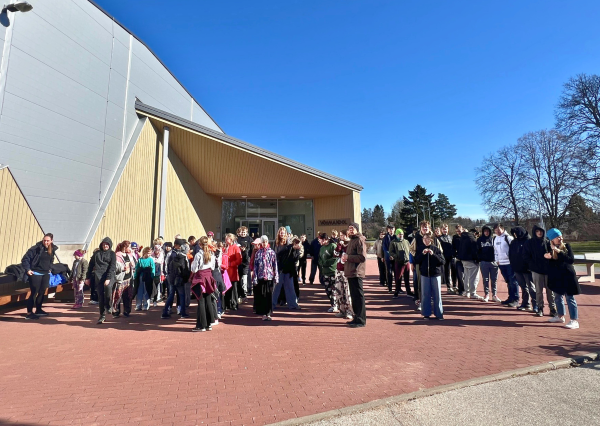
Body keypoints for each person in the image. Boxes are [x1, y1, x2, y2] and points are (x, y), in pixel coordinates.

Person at [545, 228, 580, 329]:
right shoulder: (549, 247)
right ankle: (560, 316)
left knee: (569, 298)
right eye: (557, 237)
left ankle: (574, 320)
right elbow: (552, 264)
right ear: (552, 239)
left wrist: (558, 251)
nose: (560, 239)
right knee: (557, 297)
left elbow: (570, 260)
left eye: (560, 236)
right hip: (557, 277)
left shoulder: (566, 246)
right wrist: (547, 257)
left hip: (568, 276)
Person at [22, 233, 58, 319]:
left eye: (47, 241)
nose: (45, 242)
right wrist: (28, 270)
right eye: (44, 240)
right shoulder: (35, 248)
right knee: (34, 292)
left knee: (42, 292)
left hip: (46, 273)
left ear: (51, 241)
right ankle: (29, 313)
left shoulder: (52, 249)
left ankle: (38, 310)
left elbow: (51, 260)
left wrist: (50, 268)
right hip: (35, 273)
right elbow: (25, 259)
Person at [527, 225, 557, 317]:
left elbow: (554, 254)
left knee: (550, 291)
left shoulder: (548, 242)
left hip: (548, 270)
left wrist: (550, 257)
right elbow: (526, 256)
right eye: (537, 231)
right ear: (534, 232)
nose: (539, 233)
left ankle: (552, 308)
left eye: (541, 231)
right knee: (538, 291)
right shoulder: (530, 243)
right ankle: (540, 308)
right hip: (536, 270)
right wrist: (532, 265)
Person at [86, 237, 116, 324]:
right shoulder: (97, 254)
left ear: (109, 245)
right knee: (100, 296)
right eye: (104, 244)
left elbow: (112, 267)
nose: (105, 246)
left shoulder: (112, 254)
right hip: (98, 276)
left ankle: (108, 305)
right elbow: (90, 266)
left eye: (107, 244)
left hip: (109, 276)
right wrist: (87, 278)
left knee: (108, 289)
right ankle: (102, 315)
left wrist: (108, 278)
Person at [415, 232, 445, 320]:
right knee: (425, 294)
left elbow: (442, 261)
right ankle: (426, 313)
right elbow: (416, 260)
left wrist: (433, 255)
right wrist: (422, 254)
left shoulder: (436, 249)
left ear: (431, 240)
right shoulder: (420, 249)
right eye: (424, 239)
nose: (425, 240)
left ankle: (439, 314)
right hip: (424, 274)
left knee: (437, 295)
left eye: (427, 239)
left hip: (435, 274)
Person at [342, 222, 367, 328]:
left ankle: (361, 320)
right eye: (349, 228)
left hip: (356, 272)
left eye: (352, 228)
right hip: (351, 272)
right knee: (354, 297)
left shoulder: (359, 240)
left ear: (357, 229)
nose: (350, 230)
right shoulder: (352, 240)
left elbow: (362, 257)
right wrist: (345, 257)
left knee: (358, 297)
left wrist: (348, 257)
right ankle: (356, 317)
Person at [191, 236, 217, 332]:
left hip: (200, 278)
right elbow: (213, 267)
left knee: (201, 301)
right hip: (208, 277)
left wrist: (192, 265)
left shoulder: (198, 255)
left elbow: (194, 269)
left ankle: (201, 325)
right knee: (208, 300)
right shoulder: (211, 254)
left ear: (199, 244)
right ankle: (209, 324)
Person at [509, 226, 537, 312]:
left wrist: (530, 266)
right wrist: (513, 264)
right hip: (517, 268)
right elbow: (510, 254)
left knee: (531, 287)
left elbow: (532, 255)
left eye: (516, 233)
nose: (515, 235)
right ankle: (525, 303)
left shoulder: (529, 241)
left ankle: (536, 305)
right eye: (513, 234)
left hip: (527, 269)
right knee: (523, 287)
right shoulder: (514, 242)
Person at [273, 228, 301, 310]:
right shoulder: (276, 243)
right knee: (276, 288)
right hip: (279, 268)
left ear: (286, 234)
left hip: (289, 269)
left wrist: (296, 249)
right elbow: (275, 255)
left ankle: (293, 304)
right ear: (278, 233)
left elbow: (295, 257)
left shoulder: (290, 242)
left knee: (290, 287)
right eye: (280, 233)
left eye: (283, 233)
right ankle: (272, 304)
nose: (282, 234)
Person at [161, 239, 190, 319]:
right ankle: (182, 312)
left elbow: (166, 265)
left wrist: (168, 275)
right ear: (176, 245)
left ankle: (166, 311)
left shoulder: (171, 254)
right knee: (181, 295)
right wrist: (186, 277)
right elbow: (186, 268)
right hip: (178, 278)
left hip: (172, 277)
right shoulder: (182, 255)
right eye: (180, 245)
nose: (181, 247)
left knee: (171, 295)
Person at [253, 235, 278, 321]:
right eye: (263, 242)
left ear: (268, 242)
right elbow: (255, 266)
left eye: (266, 242)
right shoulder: (258, 253)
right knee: (262, 295)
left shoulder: (272, 252)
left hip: (270, 277)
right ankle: (264, 313)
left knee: (269, 295)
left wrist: (276, 277)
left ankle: (269, 313)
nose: (264, 243)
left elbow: (275, 265)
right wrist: (255, 278)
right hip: (261, 277)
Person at [493, 223, 520, 307]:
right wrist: (497, 260)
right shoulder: (495, 239)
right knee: (508, 281)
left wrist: (512, 259)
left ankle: (516, 299)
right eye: (496, 230)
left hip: (509, 263)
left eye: (499, 230)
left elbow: (514, 249)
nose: (497, 231)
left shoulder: (508, 238)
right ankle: (510, 298)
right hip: (501, 263)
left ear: (503, 229)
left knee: (513, 281)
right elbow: (495, 251)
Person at [333, 230, 353, 319]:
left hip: (347, 271)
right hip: (339, 270)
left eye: (342, 235)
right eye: (340, 235)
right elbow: (335, 254)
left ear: (346, 235)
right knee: (339, 291)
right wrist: (339, 246)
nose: (340, 237)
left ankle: (350, 311)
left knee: (347, 292)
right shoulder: (340, 244)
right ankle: (342, 310)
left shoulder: (350, 244)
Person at [112, 241, 135, 318]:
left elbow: (134, 264)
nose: (130, 249)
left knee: (128, 296)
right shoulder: (117, 255)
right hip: (120, 279)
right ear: (125, 247)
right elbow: (115, 267)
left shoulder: (130, 255)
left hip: (129, 278)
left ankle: (127, 311)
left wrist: (132, 265)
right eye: (129, 247)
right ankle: (116, 311)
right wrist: (122, 268)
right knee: (118, 295)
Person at [458, 228, 483, 300]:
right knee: (474, 277)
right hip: (471, 260)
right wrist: (477, 259)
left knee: (466, 276)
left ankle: (467, 291)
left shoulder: (463, 238)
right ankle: (473, 293)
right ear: (475, 233)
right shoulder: (472, 239)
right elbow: (475, 251)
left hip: (463, 259)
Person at [477, 226, 500, 302]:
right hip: (484, 262)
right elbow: (477, 250)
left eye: (488, 231)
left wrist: (497, 259)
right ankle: (486, 294)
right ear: (483, 232)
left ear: (490, 232)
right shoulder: (480, 240)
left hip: (493, 262)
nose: (486, 232)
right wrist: (480, 259)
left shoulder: (494, 239)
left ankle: (494, 295)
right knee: (485, 279)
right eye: (485, 231)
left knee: (494, 279)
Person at [318, 233, 338, 312]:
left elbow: (335, 258)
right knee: (328, 290)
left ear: (324, 239)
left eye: (320, 240)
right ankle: (332, 304)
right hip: (325, 272)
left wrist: (326, 263)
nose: (319, 242)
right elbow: (320, 258)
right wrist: (321, 263)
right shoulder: (322, 248)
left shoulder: (333, 246)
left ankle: (336, 305)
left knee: (334, 289)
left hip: (332, 271)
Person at [389, 228, 410, 298]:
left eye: (402, 234)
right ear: (397, 235)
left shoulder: (406, 241)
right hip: (399, 262)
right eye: (399, 234)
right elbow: (391, 252)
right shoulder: (393, 242)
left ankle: (409, 291)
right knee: (398, 278)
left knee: (407, 278)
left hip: (407, 262)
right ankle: (396, 291)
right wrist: (397, 256)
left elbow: (410, 250)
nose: (401, 235)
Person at [224, 233, 242, 311]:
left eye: (227, 239)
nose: (225, 240)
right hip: (225, 271)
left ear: (231, 240)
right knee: (226, 288)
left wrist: (231, 263)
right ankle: (227, 304)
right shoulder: (225, 247)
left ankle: (234, 304)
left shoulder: (236, 248)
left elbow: (239, 260)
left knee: (233, 289)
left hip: (232, 271)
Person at [134, 247, 155, 311]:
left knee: (146, 291)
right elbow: (136, 268)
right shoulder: (140, 260)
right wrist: (135, 276)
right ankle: (138, 305)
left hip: (148, 277)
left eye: (150, 253)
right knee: (139, 291)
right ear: (144, 253)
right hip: (140, 276)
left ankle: (146, 305)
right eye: (148, 253)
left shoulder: (151, 260)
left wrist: (152, 276)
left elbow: (153, 268)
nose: (149, 254)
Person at [237, 226, 253, 295]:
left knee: (247, 275)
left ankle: (249, 289)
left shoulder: (249, 239)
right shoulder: (238, 239)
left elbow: (252, 249)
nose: (243, 234)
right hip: (239, 259)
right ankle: (241, 290)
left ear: (246, 232)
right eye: (242, 232)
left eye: (244, 232)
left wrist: (251, 257)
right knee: (240, 275)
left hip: (247, 259)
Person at [438, 224, 454, 294]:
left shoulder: (451, 237)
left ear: (448, 229)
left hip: (452, 256)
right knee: (447, 272)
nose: (445, 230)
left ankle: (455, 285)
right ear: (441, 230)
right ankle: (449, 286)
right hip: (444, 257)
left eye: (446, 229)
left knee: (454, 271)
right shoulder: (439, 238)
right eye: (443, 229)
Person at [451, 225, 465, 295]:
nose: (458, 232)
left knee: (466, 275)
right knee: (460, 275)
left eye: (459, 231)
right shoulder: (455, 237)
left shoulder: (465, 236)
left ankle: (466, 289)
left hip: (466, 258)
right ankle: (461, 289)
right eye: (457, 231)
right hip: (458, 258)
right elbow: (453, 247)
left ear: (462, 229)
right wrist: (455, 254)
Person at [382, 224, 395, 291]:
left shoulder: (396, 237)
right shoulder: (385, 238)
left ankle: (398, 288)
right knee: (389, 272)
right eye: (390, 229)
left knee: (397, 272)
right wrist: (390, 255)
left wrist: (395, 255)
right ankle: (390, 287)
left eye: (392, 229)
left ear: (394, 229)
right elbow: (384, 248)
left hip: (396, 257)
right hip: (388, 258)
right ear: (388, 230)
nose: (391, 230)